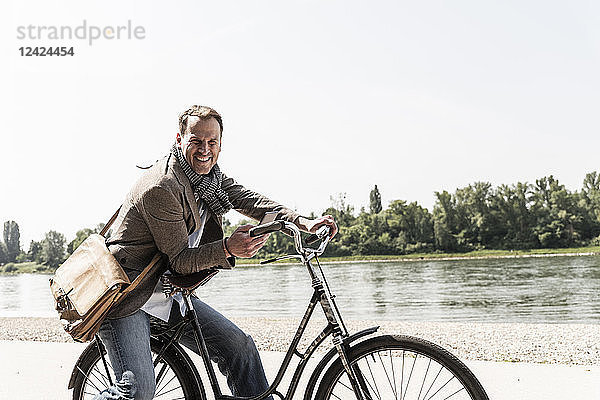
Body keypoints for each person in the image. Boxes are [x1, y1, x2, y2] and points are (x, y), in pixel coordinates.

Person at [94, 105, 338, 400]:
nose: (205, 149)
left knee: (241, 350)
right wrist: (227, 248)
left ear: (221, 144)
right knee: (138, 393)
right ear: (179, 138)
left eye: (212, 142)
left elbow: (254, 203)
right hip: (129, 294)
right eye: (196, 141)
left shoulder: (210, 181)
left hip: (169, 292)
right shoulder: (161, 187)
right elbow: (181, 260)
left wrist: (304, 222)